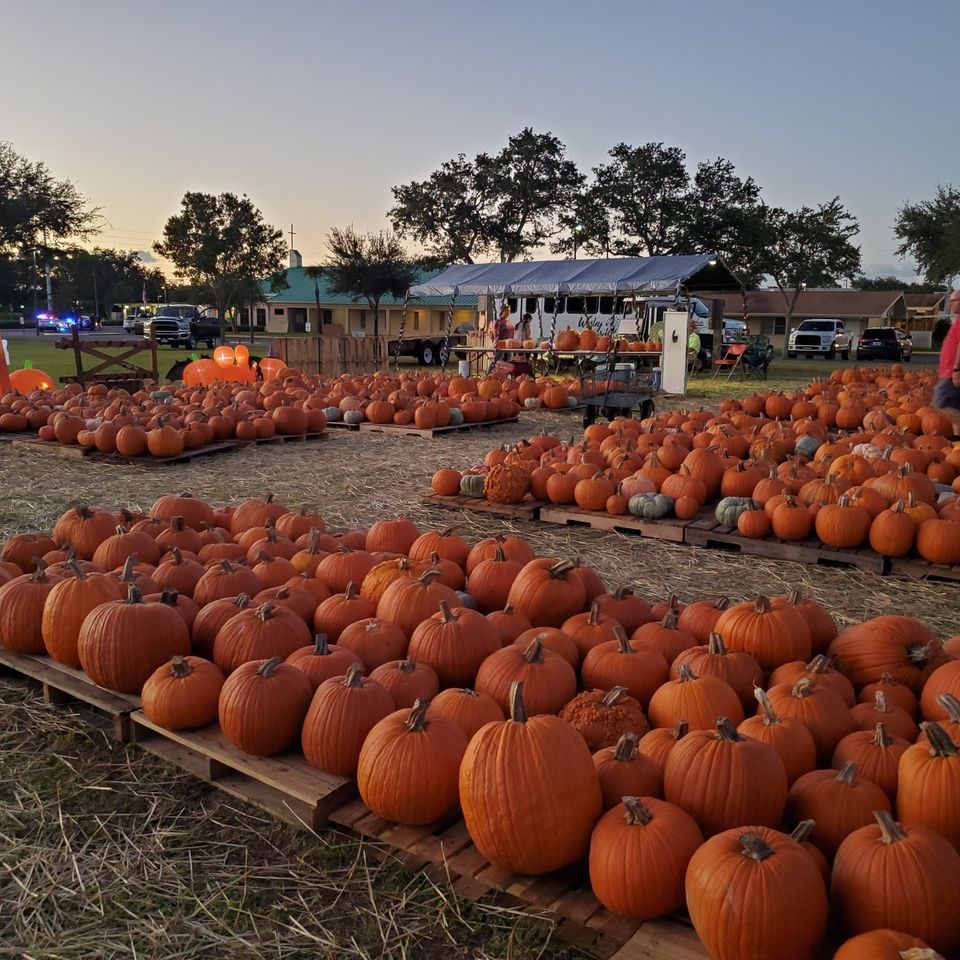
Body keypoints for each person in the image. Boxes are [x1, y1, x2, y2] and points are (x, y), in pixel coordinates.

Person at [934, 289, 960, 436]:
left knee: (941, 403)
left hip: (952, 373)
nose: (951, 304)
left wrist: (957, 369)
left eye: (954, 301)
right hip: (949, 372)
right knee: (955, 407)